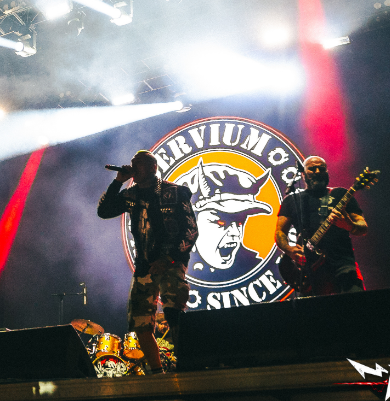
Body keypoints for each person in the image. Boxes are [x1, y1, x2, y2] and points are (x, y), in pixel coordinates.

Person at [98, 150, 198, 373]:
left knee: (174, 314)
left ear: (153, 167)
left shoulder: (175, 192)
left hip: (171, 263)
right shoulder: (131, 195)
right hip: (144, 266)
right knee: (140, 322)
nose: (134, 167)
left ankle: (187, 366)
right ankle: (157, 372)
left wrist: (169, 258)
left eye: (140, 163)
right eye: (133, 163)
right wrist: (118, 181)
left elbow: (191, 230)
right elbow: (104, 211)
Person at [275, 156, 368, 295]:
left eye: (322, 169)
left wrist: (349, 225)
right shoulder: (292, 200)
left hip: (342, 263)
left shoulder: (340, 194)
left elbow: (363, 227)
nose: (318, 172)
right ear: (303, 173)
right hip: (309, 269)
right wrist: (289, 250)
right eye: (312, 169)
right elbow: (280, 231)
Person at [185, 159, 273, 281]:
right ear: (192, 222)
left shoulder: (253, 266)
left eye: (240, 222)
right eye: (221, 222)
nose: (235, 233)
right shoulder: (173, 267)